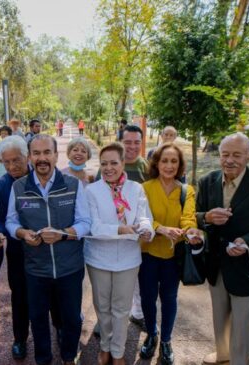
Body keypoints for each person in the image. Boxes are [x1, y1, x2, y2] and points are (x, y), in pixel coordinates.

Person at [196, 132, 249, 365]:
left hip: (247, 264)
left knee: (243, 321)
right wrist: (207, 217)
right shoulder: (207, 181)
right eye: (225, 154)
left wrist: (247, 242)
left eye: (237, 155)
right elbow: (195, 216)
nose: (229, 160)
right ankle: (223, 354)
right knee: (219, 315)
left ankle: (239, 360)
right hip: (215, 262)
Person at [6, 134, 91, 365]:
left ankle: (68, 356)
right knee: (38, 319)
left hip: (69, 267)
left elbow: (85, 223)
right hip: (36, 268)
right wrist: (22, 234)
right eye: (36, 153)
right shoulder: (19, 186)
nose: (42, 158)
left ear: (55, 155)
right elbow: (11, 222)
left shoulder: (73, 185)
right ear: (30, 157)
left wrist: (63, 233)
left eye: (47, 153)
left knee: (72, 319)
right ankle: (43, 359)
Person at [0, 135, 62, 360]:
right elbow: (0, 217)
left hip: (47, 249)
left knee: (53, 293)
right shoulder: (2, 185)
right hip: (18, 251)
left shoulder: (43, 175)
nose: (11, 166)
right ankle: (20, 337)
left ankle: (59, 328)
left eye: (16, 160)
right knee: (19, 295)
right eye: (6, 162)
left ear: (27, 157)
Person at [85, 142, 154, 365]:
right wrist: (121, 229)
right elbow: (93, 227)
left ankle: (117, 351)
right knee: (102, 307)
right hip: (98, 258)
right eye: (103, 163)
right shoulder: (91, 190)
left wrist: (146, 230)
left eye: (114, 163)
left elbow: (145, 217)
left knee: (122, 310)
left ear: (124, 163)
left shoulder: (136, 189)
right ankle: (105, 346)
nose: (108, 168)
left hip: (128, 258)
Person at [140, 143, 203, 364]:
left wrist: (190, 232)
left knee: (169, 298)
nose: (169, 165)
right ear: (156, 163)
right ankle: (151, 334)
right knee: (147, 298)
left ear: (180, 165)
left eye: (174, 161)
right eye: (164, 160)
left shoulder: (187, 190)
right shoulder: (145, 188)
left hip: (173, 256)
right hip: (147, 254)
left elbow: (188, 219)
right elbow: (142, 218)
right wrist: (161, 228)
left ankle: (166, 340)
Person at [98, 124, 149, 328]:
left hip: (138, 234)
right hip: (110, 236)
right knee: (108, 284)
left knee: (137, 279)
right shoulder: (108, 168)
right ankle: (105, 321)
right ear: (120, 142)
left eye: (137, 142)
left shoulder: (148, 168)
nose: (132, 146)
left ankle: (137, 312)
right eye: (127, 142)